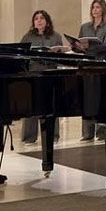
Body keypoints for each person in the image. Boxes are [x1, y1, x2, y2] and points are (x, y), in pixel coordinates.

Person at [19, 10, 65, 144]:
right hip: (33, 72)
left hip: (50, 72)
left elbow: (60, 56)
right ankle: (29, 137)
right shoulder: (27, 37)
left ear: (47, 21)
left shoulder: (55, 36)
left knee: (51, 105)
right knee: (32, 105)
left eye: (42, 18)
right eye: (36, 19)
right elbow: (22, 55)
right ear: (33, 22)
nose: (39, 21)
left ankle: (53, 135)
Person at [77, 0, 106, 141]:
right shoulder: (85, 26)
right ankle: (87, 133)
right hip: (86, 63)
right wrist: (78, 46)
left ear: (103, 9)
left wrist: (89, 47)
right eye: (93, 7)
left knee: (101, 97)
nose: (95, 10)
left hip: (100, 63)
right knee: (86, 98)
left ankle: (101, 131)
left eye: (98, 7)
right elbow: (79, 44)